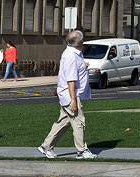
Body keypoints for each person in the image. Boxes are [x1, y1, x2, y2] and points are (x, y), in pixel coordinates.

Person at [37, 30, 96, 160]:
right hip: (70, 95)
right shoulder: (71, 56)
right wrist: (73, 100)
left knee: (63, 122)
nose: (83, 42)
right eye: (82, 40)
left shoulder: (74, 53)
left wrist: (83, 66)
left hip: (68, 95)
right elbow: (71, 80)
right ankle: (82, 151)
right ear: (79, 43)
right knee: (79, 122)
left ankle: (46, 146)